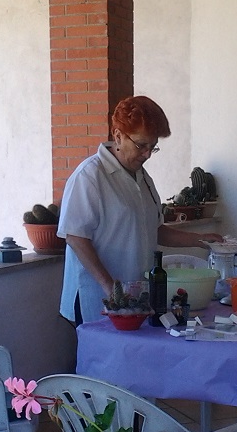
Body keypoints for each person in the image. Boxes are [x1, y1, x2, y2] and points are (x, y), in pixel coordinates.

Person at [58, 95, 223, 324]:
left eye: (152, 147)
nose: (147, 154)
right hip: (96, 296)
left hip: (135, 297)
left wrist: (201, 240)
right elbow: (76, 237)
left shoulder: (143, 178)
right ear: (118, 135)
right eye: (141, 145)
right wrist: (110, 286)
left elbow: (154, 229)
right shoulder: (89, 176)